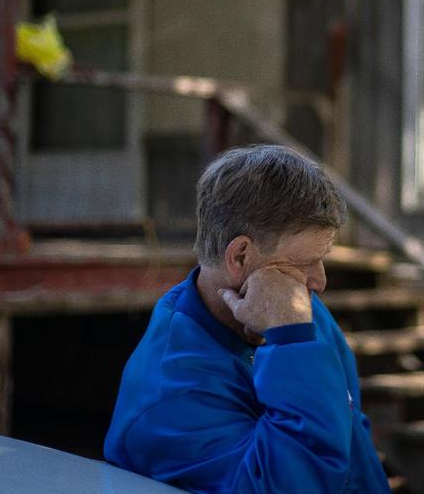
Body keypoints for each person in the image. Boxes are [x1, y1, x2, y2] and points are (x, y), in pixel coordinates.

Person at [104, 144, 392, 493]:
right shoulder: (169, 397)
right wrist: (291, 343)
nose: (319, 281)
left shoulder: (298, 307)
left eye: (322, 258)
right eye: (303, 263)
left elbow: (353, 442)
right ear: (240, 256)